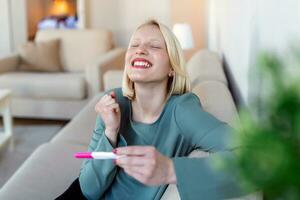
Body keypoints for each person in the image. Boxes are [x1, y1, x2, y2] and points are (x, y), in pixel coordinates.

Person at [56, 19, 240, 200]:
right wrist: (110, 132)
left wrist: (170, 170)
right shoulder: (114, 100)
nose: (140, 50)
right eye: (134, 45)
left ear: (172, 68)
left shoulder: (182, 111)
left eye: (154, 46)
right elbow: (88, 190)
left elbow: (251, 155)